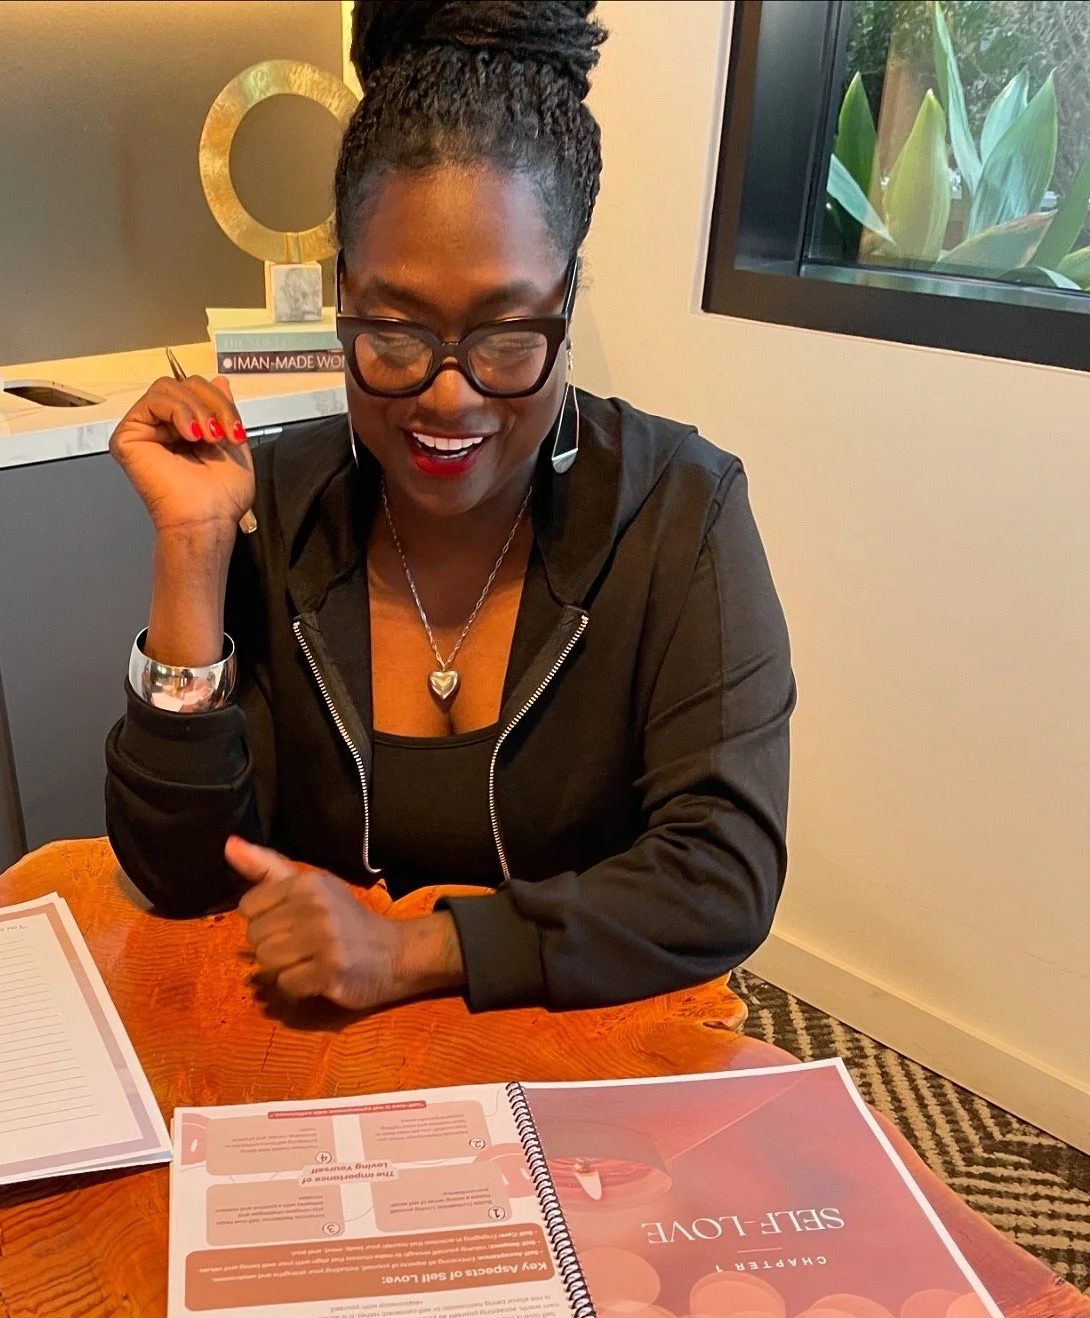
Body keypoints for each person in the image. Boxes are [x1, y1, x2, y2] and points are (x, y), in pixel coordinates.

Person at [105, 0, 793, 1015]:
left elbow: (719, 876)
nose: (448, 394)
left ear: (566, 300)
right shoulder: (276, 505)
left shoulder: (678, 510)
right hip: (320, 1068)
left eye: (509, 335)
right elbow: (184, 870)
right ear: (342, 295)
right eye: (394, 329)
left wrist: (414, 952)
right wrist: (195, 550)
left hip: (577, 1062)